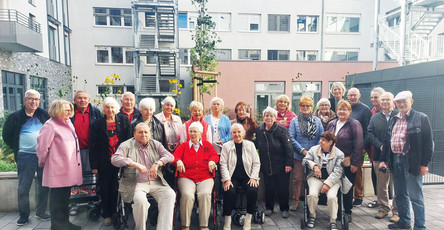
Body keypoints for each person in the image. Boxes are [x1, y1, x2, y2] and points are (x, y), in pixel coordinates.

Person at [380, 91, 433, 230]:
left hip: (411, 162)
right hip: (395, 160)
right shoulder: (393, 118)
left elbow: (428, 143)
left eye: (404, 101)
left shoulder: (421, 118)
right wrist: (383, 160)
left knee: (416, 197)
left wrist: (424, 164)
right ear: (395, 104)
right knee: (400, 194)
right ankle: (404, 222)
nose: (402, 104)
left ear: (411, 101)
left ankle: (420, 226)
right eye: (399, 102)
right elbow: (387, 140)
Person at [111, 123, 175, 230]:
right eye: (140, 132)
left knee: (170, 195)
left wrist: (157, 163)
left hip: (156, 182)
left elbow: (169, 156)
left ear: (150, 134)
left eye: (146, 132)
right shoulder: (126, 145)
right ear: (134, 134)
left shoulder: (156, 144)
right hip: (136, 183)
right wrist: (133, 163)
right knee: (141, 201)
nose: (143, 135)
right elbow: (114, 159)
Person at [2, 89, 50, 226]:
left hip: (43, 155)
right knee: (23, 187)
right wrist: (20, 148)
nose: (33, 102)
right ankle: (24, 215)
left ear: (39, 101)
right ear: (25, 100)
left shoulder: (44, 115)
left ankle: (41, 212)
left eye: (36, 99)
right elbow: (7, 136)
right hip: (25, 156)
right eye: (31, 99)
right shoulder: (15, 117)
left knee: (44, 185)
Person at [36, 100, 82, 230]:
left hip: (67, 168)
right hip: (57, 169)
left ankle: (65, 224)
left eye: (69, 109)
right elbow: (42, 148)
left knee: (65, 199)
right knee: (57, 200)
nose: (69, 112)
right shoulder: (50, 126)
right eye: (65, 109)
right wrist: (42, 162)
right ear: (57, 110)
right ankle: (57, 226)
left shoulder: (67, 123)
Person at [90, 97, 131, 226]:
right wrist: (94, 165)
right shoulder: (97, 124)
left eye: (112, 107)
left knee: (116, 188)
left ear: (116, 108)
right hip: (104, 162)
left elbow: (129, 141)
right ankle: (107, 214)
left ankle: (116, 212)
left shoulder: (123, 121)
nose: (110, 110)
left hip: (119, 161)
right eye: (107, 107)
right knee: (105, 188)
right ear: (104, 109)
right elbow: (93, 146)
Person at [173, 122, 219, 230]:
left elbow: (214, 155)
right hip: (186, 176)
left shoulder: (207, 145)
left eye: (195, 131)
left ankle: (204, 225)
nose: (192, 134)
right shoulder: (183, 146)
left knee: (204, 194)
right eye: (191, 131)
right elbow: (174, 156)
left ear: (201, 133)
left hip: (205, 176)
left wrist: (212, 161)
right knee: (187, 195)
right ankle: (185, 225)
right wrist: (178, 161)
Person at [303, 131, 352, 230]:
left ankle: (333, 221)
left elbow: (338, 171)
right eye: (321, 139)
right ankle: (312, 216)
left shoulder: (339, 154)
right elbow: (305, 161)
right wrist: (314, 166)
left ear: (330, 142)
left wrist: (328, 184)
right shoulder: (313, 150)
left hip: (333, 180)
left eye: (323, 140)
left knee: (332, 197)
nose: (320, 142)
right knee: (312, 194)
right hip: (315, 178)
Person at [326, 100, 364, 221]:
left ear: (349, 111)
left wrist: (355, 163)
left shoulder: (354, 124)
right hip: (332, 161)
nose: (342, 112)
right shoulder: (331, 124)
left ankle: (347, 212)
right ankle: (336, 211)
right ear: (336, 111)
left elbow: (358, 145)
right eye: (340, 109)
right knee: (335, 187)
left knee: (347, 187)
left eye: (345, 109)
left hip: (347, 161)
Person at [220, 124, 260, 230]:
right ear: (231, 134)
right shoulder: (226, 146)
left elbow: (256, 163)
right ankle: (227, 220)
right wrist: (227, 179)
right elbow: (223, 164)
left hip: (248, 175)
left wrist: (253, 177)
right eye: (234, 132)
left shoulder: (250, 145)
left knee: (253, 190)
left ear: (243, 133)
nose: (237, 134)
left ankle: (248, 219)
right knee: (229, 191)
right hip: (232, 176)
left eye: (239, 132)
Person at [255, 107, 293, 218]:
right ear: (263, 117)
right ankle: (269, 208)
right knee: (269, 188)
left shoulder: (281, 130)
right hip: (266, 164)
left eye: (271, 116)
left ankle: (284, 209)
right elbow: (257, 144)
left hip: (281, 165)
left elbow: (289, 148)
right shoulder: (259, 130)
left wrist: (288, 163)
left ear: (275, 118)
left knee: (283, 188)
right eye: (267, 115)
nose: (269, 118)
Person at [368, 92, 399, 222]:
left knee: (397, 185)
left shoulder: (399, 116)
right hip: (379, 156)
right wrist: (380, 145)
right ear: (380, 103)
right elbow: (370, 133)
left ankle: (397, 211)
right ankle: (383, 209)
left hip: (397, 156)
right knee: (382, 185)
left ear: (393, 102)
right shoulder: (375, 117)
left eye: (388, 100)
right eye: (383, 100)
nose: (385, 102)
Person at [288, 96, 324, 211]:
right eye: (303, 105)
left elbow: (321, 137)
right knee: (297, 179)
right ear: (299, 107)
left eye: (307, 105)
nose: (305, 108)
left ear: (311, 107)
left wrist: (314, 151)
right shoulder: (294, 121)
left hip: (314, 156)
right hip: (299, 156)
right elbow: (291, 138)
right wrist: (302, 150)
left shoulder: (317, 121)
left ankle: (310, 200)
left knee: (312, 179)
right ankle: (296, 200)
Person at [347, 87, 371, 207]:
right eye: (350, 95)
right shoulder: (346, 107)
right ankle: (348, 195)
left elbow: (368, 130)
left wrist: (364, 147)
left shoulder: (365, 109)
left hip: (359, 147)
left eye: (354, 95)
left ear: (359, 95)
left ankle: (358, 196)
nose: (352, 97)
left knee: (357, 172)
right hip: (346, 147)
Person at [70, 91, 102, 173]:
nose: (82, 100)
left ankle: (89, 187)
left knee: (90, 175)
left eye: (85, 98)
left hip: (91, 150)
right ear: (74, 100)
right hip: (73, 150)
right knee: (75, 174)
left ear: (89, 100)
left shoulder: (95, 112)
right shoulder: (69, 113)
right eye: (79, 98)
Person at [367, 87, 386, 209]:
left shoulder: (391, 112)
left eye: (376, 97)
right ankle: (379, 200)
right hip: (374, 150)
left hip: (386, 151)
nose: (373, 99)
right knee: (376, 176)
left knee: (386, 179)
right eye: (372, 97)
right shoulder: (372, 112)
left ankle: (386, 203)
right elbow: (370, 131)